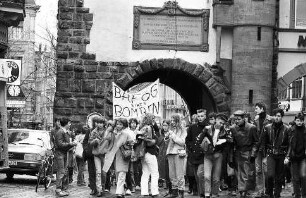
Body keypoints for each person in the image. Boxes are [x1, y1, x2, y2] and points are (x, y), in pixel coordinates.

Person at [259, 108, 290, 198]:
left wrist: (287, 156)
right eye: (275, 116)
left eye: (279, 116)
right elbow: (263, 143)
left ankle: (277, 193)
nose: (276, 118)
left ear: (281, 117)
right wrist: (264, 156)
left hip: (281, 154)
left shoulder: (286, 129)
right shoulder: (267, 128)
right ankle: (270, 193)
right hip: (271, 154)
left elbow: (289, 144)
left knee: (279, 177)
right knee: (270, 175)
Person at [198, 113, 230, 198]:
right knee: (207, 176)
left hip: (218, 155)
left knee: (216, 177)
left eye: (223, 123)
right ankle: (207, 194)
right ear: (216, 120)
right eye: (220, 122)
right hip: (208, 155)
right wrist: (205, 143)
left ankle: (215, 194)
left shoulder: (225, 130)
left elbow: (230, 141)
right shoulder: (207, 128)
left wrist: (223, 141)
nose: (221, 124)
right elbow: (199, 139)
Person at [229, 110, 258, 198]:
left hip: (248, 152)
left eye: (238, 119)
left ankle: (243, 191)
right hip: (237, 152)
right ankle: (242, 191)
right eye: (235, 119)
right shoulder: (233, 128)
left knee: (246, 173)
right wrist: (230, 157)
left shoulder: (251, 127)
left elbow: (256, 142)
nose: (236, 121)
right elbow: (232, 144)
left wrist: (253, 153)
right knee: (238, 173)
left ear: (244, 119)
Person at [186, 109, 207, 197]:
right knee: (196, 176)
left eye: (202, 116)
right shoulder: (192, 127)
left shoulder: (207, 127)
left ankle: (203, 193)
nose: (200, 118)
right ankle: (200, 193)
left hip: (204, 155)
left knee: (200, 174)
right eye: (198, 116)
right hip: (194, 155)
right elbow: (188, 139)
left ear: (205, 116)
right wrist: (191, 148)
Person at [165, 114, 187, 198]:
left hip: (178, 153)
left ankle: (181, 193)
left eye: (174, 120)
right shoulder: (171, 129)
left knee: (179, 174)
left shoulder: (183, 130)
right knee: (172, 174)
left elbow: (182, 142)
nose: (172, 122)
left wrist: (173, 136)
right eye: (172, 120)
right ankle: (174, 192)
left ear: (178, 121)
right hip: (170, 153)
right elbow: (167, 142)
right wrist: (166, 138)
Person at [138, 113, 160, 198]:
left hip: (143, 153)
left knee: (145, 173)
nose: (154, 120)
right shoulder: (149, 127)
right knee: (155, 173)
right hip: (150, 152)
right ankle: (154, 192)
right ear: (150, 119)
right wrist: (155, 140)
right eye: (153, 119)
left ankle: (144, 192)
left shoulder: (141, 128)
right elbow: (150, 141)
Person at [54, 117, 77, 197]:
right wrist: (70, 144)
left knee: (64, 171)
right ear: (66, 124)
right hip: (60, 153)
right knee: (61, 171)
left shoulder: (66, 132)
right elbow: (60, 144)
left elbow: (65, 143)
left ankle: (63, 189)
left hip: (64, 153)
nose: (70, 125)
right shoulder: (60, 132)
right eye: (69, 123)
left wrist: (71, 144)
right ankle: (58, 189)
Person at [286, 112, 306, 198]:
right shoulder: (291, 130)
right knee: (296, 178)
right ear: (295, 120)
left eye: (301, 120)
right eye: (298, 120)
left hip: (303, 156)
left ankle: (304, 195)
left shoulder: (305, 130)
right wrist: (288, 155)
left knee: (303, 175)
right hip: (293, 156)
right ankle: (297, 195)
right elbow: (289, 143)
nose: (299, 122)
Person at [88, 117, 108, 197]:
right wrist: (94, 141)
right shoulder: (94, 131)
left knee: (104, 173)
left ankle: (103, 187)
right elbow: (90, 142)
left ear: (104, 124)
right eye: (98, 123)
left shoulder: (107, 131)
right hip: (96, 154)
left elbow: (111, 142)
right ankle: (99, 190)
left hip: (105, 154)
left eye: (101, 123)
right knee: (98, 172)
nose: (99, 124)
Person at [253, 102, 270, 198]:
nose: (255, 110)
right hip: (258, 148)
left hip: (266, 148)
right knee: (258, 170)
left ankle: (268, 190)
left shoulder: (269, 119)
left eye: (256, 108)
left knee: (267, 170)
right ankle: (260, 191)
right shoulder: (255, 120)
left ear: (262, 108)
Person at [126, 118, 140, 195]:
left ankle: (137, 184)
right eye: (132, 123)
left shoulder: (138, 131)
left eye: (134, 123)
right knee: (130, 170)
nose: (133, 124)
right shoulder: (128, 131)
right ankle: (131, 185)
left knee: (136, 169)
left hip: (137, 151)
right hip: (130, 151)